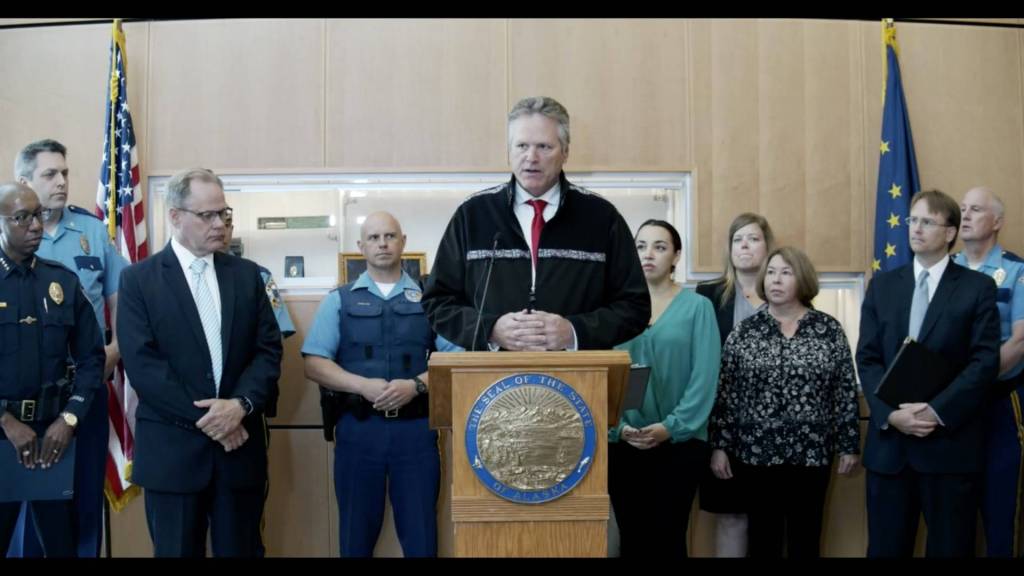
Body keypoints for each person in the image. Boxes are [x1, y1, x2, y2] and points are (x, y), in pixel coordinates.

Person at [117, 168, 282, 557]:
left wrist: (240, 406)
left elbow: (268, 351)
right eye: (207, 215)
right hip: (173, 456)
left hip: (238, 456)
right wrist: (215, 421)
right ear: (175, 216)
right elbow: (144, 367)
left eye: (223, 213)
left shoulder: (248, 276)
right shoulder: (139, 280)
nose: (219, 224)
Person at [422, 96, 650, 351]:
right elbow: (437, 303)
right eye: (521, 146)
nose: (531, 157)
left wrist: (574, 331)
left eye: (544, 146)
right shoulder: (472, 215)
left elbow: (635, 307)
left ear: (565, 152)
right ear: (508, 152)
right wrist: (490, 329)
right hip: (493, 371)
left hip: (576, 371)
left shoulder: (601, 217)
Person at [858, 189, 1000, 557]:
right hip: (890, 451)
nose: (916, 229)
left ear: (950, 232)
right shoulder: (882, 286)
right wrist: (890, 415)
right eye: (912, 220)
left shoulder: (977, 287)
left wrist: (935, 411)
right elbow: (868, 359)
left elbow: (984, 362)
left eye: (927, 222)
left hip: (949, 449)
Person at [8, 139, 129, 559]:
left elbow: (122, 302)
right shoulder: (9, 238)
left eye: (64, 173)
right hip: (18, 399)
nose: (61, 182)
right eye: (50, 174)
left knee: (80, 503)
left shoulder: (92, 231)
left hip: (82, 391)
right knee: (19, 509)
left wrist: (114, 350)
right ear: (24, 181)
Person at [302, 211, 439, 557]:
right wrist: (362, 385)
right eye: (374, 238)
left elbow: (456, 362)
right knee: (355, 539)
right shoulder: (339, 299)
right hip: (359, 432)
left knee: (422, 538)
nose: (383, 244)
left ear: (403, 242)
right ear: (361, 246)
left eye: (390, 236)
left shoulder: (431, 299)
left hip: (416, 432)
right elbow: (314, 363)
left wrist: (416, 386)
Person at [709, 246, 860, 558]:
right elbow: (726, 393)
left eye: (786, 273)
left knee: (806, 538)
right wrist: (720, 446)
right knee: (763, 540)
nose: (776, 280)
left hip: (811, 453)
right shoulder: (745, 332)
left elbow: (844, 391)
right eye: (771, 273)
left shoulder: (828, 330)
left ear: (802, 279)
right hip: (756, 453)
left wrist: (849, 444)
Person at [0, 182, 105, 557]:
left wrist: (70, 419)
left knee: (62, 546)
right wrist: (6, 421)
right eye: (22, 217)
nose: (35, 226)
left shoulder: (61, 281)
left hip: (52, 440)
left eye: (38, 215)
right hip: (2, 436)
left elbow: (92, 359)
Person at [609, 220, 720, 558]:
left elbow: (704, 377)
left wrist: (671, 427)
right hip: (624, 442)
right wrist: (619, 428)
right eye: (641, 246)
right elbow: (601, 375)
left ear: (676, 256)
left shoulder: (698, 307)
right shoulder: (614, 308)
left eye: (659, 247)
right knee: (632, 538)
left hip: (679, 442)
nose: (648, 254)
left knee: (669, 537)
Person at [696, 212, 776, 558]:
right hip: (724, 425)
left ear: (768, 246)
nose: (745, 246)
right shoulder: (708, 295)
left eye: (753, 239)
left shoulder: (785, 291)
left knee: (771, 520)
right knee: (731, 515)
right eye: (738, 239)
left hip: (775, 428)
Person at [954, 187, 1024, 557]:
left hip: (1000, 402)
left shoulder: (1017, 271)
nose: (965, 215)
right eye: (962, 208)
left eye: (976, 209)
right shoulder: (945, 270)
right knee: (953, 514)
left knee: (1001, 509)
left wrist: (972, 380)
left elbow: (1021, 341)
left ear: (996, 221)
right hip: (950, 408)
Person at [221, 213, 295, 558]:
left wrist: (239, 404)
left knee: (244, 526)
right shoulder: (168, 277)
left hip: (247, 410)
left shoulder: (256, 276)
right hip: (190, 415)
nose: (219, 229)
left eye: (226, 223)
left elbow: (273, 340)